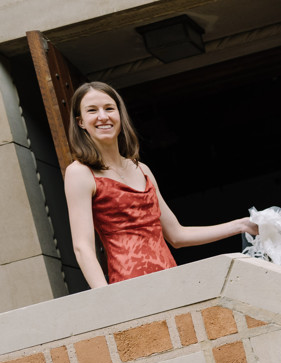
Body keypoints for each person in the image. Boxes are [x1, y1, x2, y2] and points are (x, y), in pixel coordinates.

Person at [63, 81, 256, 288]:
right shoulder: (80, 173)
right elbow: (82, 247)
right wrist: (107, 298)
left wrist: (241, 225)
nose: (103, 116)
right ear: (80, 122)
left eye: (109, 108)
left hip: (171, 278)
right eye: (92, 110)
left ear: (120, 115)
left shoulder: (142, 170)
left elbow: (177, 235)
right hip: (129, 285)